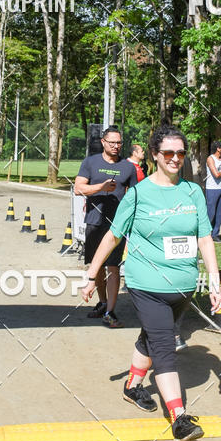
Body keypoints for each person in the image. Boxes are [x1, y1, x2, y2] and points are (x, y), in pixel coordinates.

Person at [81, 124, 221, 441]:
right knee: (164, 346)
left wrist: (214, 282)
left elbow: (204, 238)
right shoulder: (139, 194)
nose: (176, 159)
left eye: (181, 153)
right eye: (169, 153)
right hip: (147, 284)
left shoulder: (193, 192)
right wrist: (92, 274)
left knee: (152, 336)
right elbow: (113, 235)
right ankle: (179, 418)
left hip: (184, 286)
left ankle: (132, 385)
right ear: (156, 156)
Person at [74, 126, 137, 327]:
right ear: (103, 142)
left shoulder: (128, 167)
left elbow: (135, 196)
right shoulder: (90, 162)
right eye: (112, 142)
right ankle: (102, 303)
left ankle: (110, 311)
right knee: (96, 265)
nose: (116, 146)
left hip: (117, 226)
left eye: (119, 143)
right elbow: (78, 188)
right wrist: (100, 188)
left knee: (113, 267)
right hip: (94, 222)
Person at [205, 141, 221, 242]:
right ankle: (206, 234)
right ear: (218, 149)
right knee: (211, 213)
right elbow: (216, 175)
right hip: (212, 188)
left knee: (220, 213)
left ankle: (215, 234)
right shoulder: (210, 159)